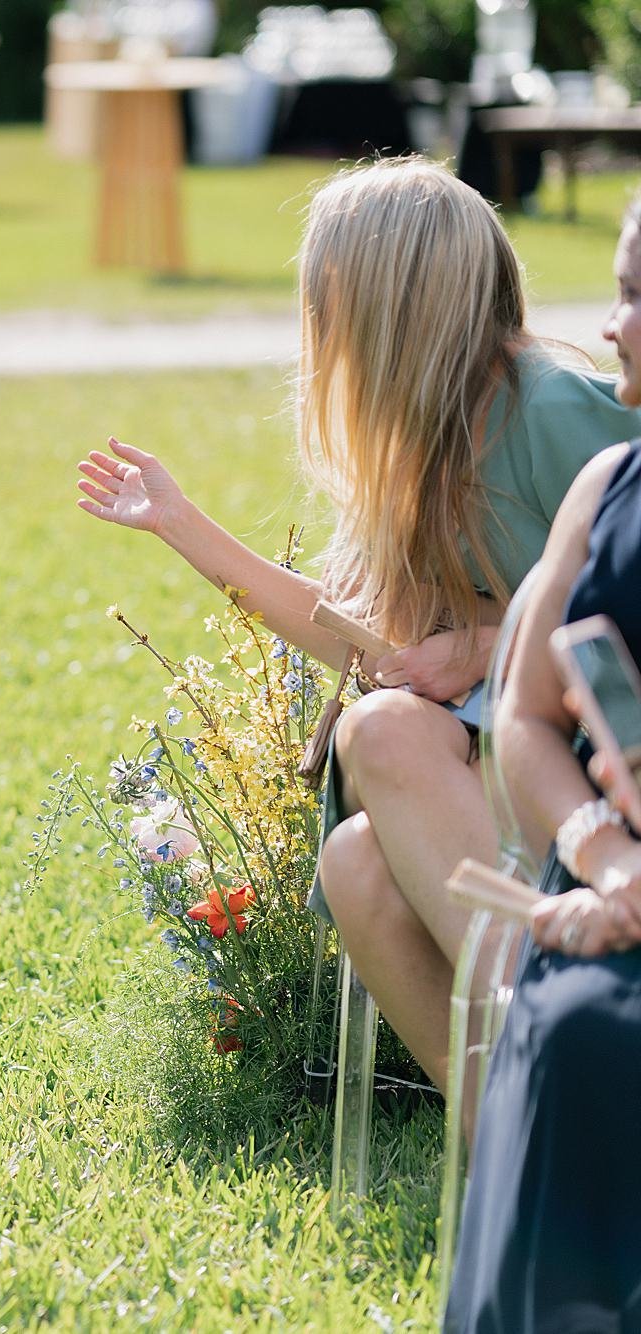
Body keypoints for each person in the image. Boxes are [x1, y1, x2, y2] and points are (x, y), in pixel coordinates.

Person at [73, 157, 641, 1089]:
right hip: (498, 781)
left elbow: (635, 581)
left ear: (395, 304)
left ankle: (584, 1052)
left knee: (380, 729)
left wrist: (493, 645)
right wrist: (179, 524)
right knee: (354, 864)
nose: (320, 330)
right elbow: (353, 633)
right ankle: (516, 1130)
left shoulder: (546, 408)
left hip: (590, 774)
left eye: (329, 300)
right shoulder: (414, 451)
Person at [446, 199, 641, 1331]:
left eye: (638, 299)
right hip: (609, 899)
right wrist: (600, 854)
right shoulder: (605, 482)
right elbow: (521, 718)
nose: (615, 326)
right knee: (571, 1027)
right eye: (621, 290)